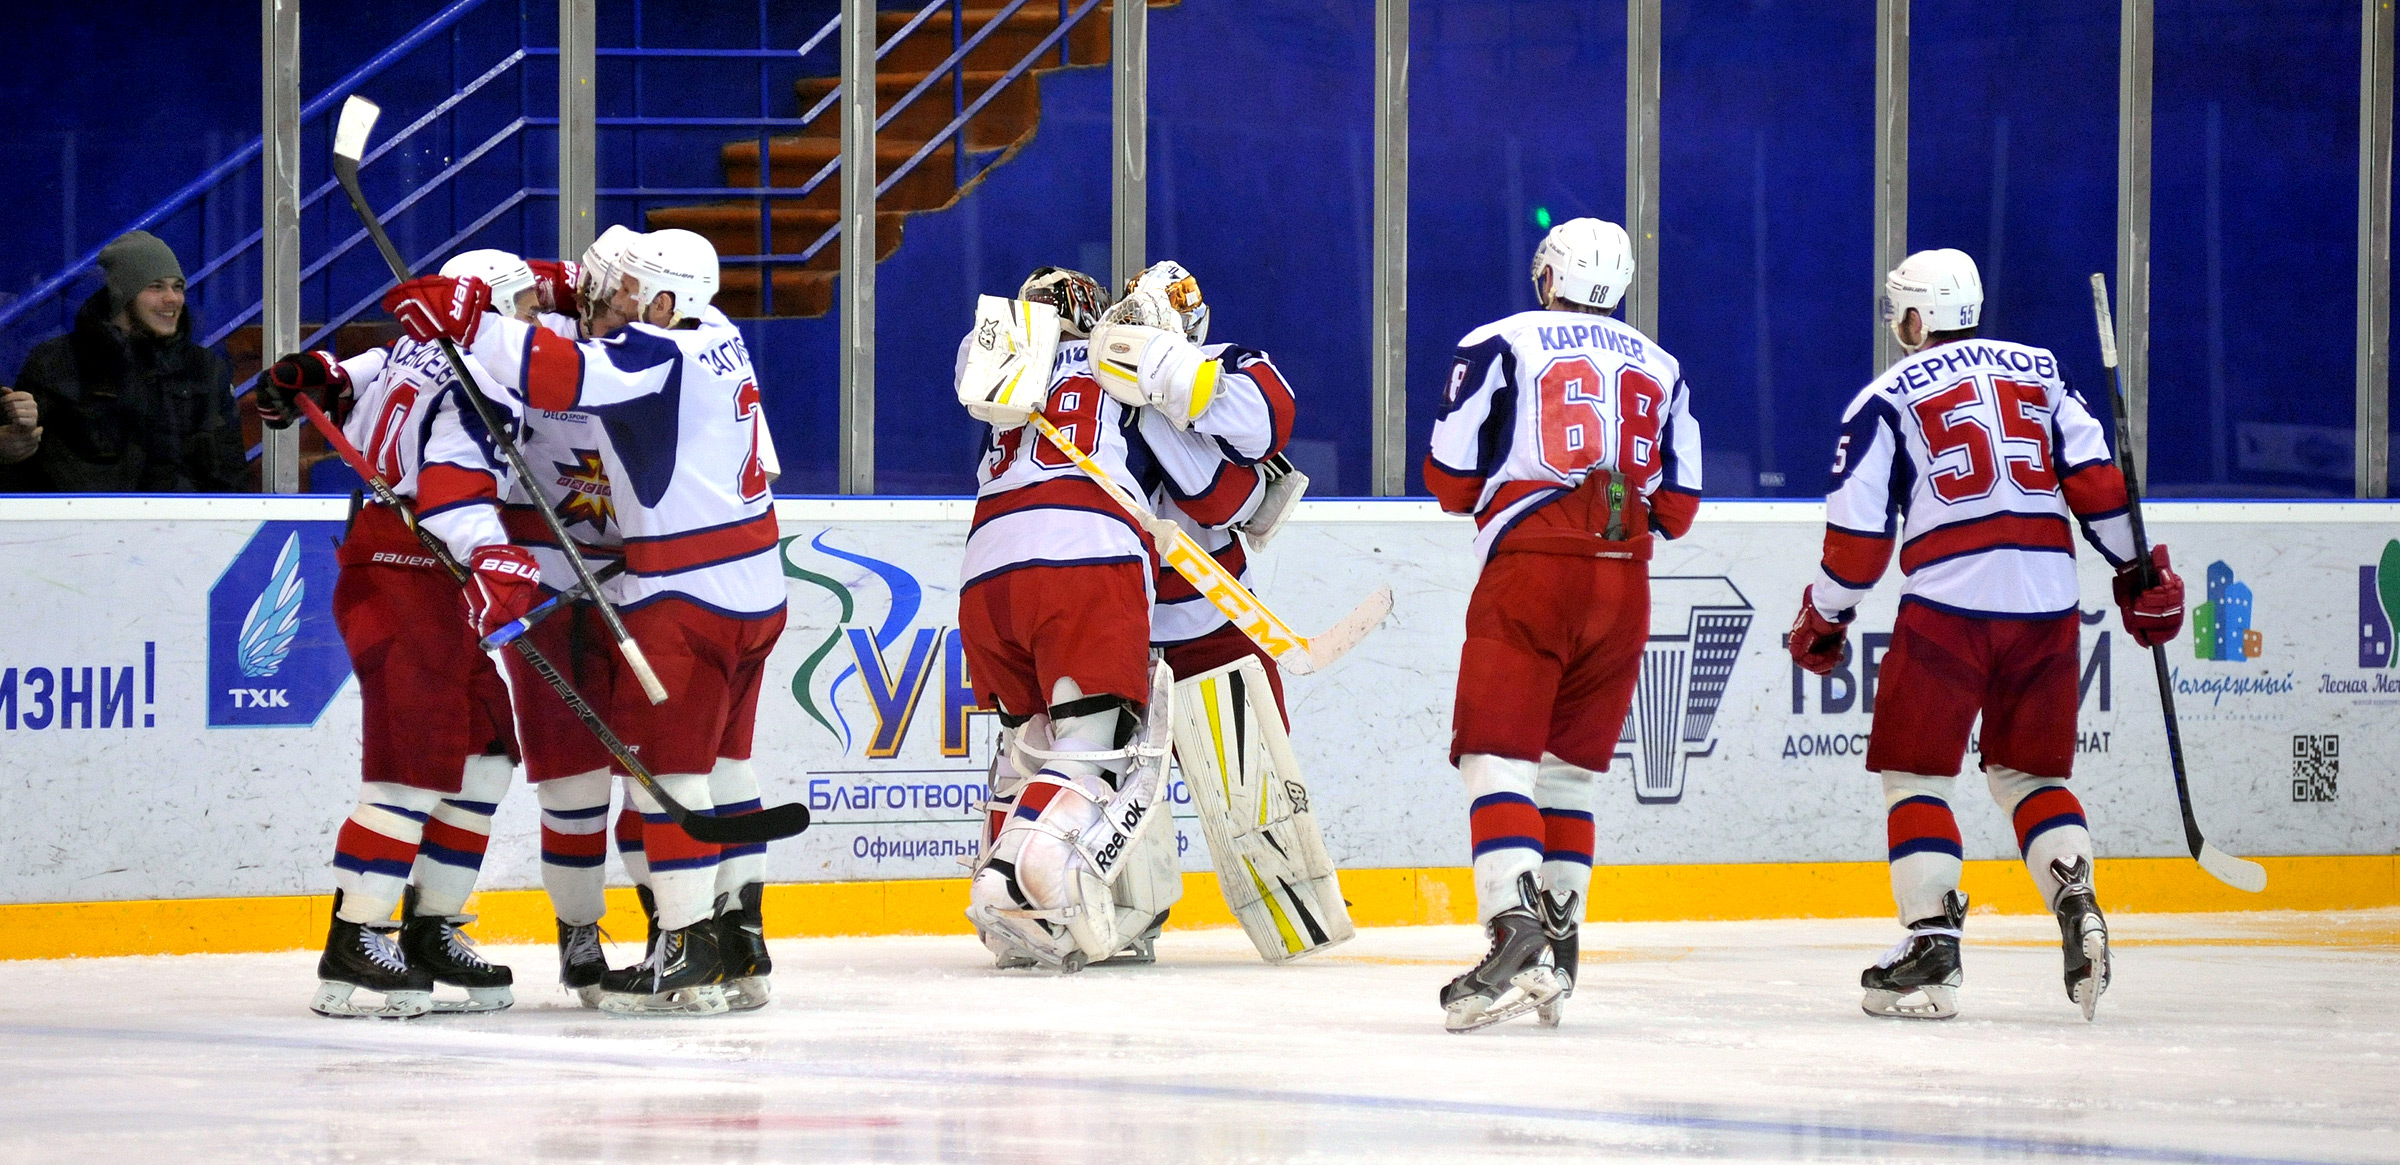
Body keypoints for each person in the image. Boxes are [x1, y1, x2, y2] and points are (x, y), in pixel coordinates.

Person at [388, 228, 787, 1017]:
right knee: (707, 765)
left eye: (629, 288)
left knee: (663, 775)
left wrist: (470, 320)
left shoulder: (644, 354)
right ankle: (733, 934)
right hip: (742, 586)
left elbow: (554, 369)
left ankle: (687, 942)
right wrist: (529, 288)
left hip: (679, 593)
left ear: (665, 302)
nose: (607, 296)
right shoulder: (717, 334)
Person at [1787, 248, 2184, 1022]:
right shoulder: (2040, 371)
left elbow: (1859, 544)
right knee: (2030, 776)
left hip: (1949, 606)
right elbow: (2101, 488)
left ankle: (1933, 949)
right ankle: (2076, 899)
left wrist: (1826, 615)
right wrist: (2141, 573)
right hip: (2048, 603)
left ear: (1916, 317)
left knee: (1916, 774)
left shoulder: (1883, 396)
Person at [254, 249, 553, 1018]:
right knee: (408, 774)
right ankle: (354, 947)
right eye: (519, 306)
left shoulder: (410, 346)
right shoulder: (481, 378)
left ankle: (430, 928)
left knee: (485, 755)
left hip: (425, 570)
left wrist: (303, 376)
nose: (533, 320)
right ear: (484, 308)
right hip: (407, 565)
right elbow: (452, 493)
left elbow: (342, 375)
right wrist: (495, 554)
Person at [1423, 217, 1703, 1032]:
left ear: (1547, 277)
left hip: (1533, 565)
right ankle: (1557, 938)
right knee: (1570, 777)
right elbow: (1678, 507)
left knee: (1495, 760)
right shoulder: (1663, 363)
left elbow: (1447, 474)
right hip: (1627, 577)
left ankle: (1514, 936)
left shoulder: (1501, 339)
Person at [951, 266, 1188, 971]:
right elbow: (1195, 431)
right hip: (1084, 555)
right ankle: (1015, 883)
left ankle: (1013, 923)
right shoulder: (1117, 352)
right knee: (1090, 748)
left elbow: (980, 392)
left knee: (1032, 741)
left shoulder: (993, 357)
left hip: (987, 567)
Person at [1121, 262, 1304, 722]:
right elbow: (1219, 498)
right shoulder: (1098, 385)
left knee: (1258, 787)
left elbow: (1270, 420)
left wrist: (1172, 384)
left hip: (1212, 619)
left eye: (1190, 293)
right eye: (1179, 298)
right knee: (1089, 778)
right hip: (1112, 621)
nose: (1193, 305)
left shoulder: (1221, 361)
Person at [12, 230, 244, 492]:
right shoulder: (55, 363)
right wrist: (9, 448)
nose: (173, 298)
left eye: (177, 286)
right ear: (122, 294)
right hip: (83, 528)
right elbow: (21, 469)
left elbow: (230, 474)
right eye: (156, 287)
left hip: (187, 528)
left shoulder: (205, 369)